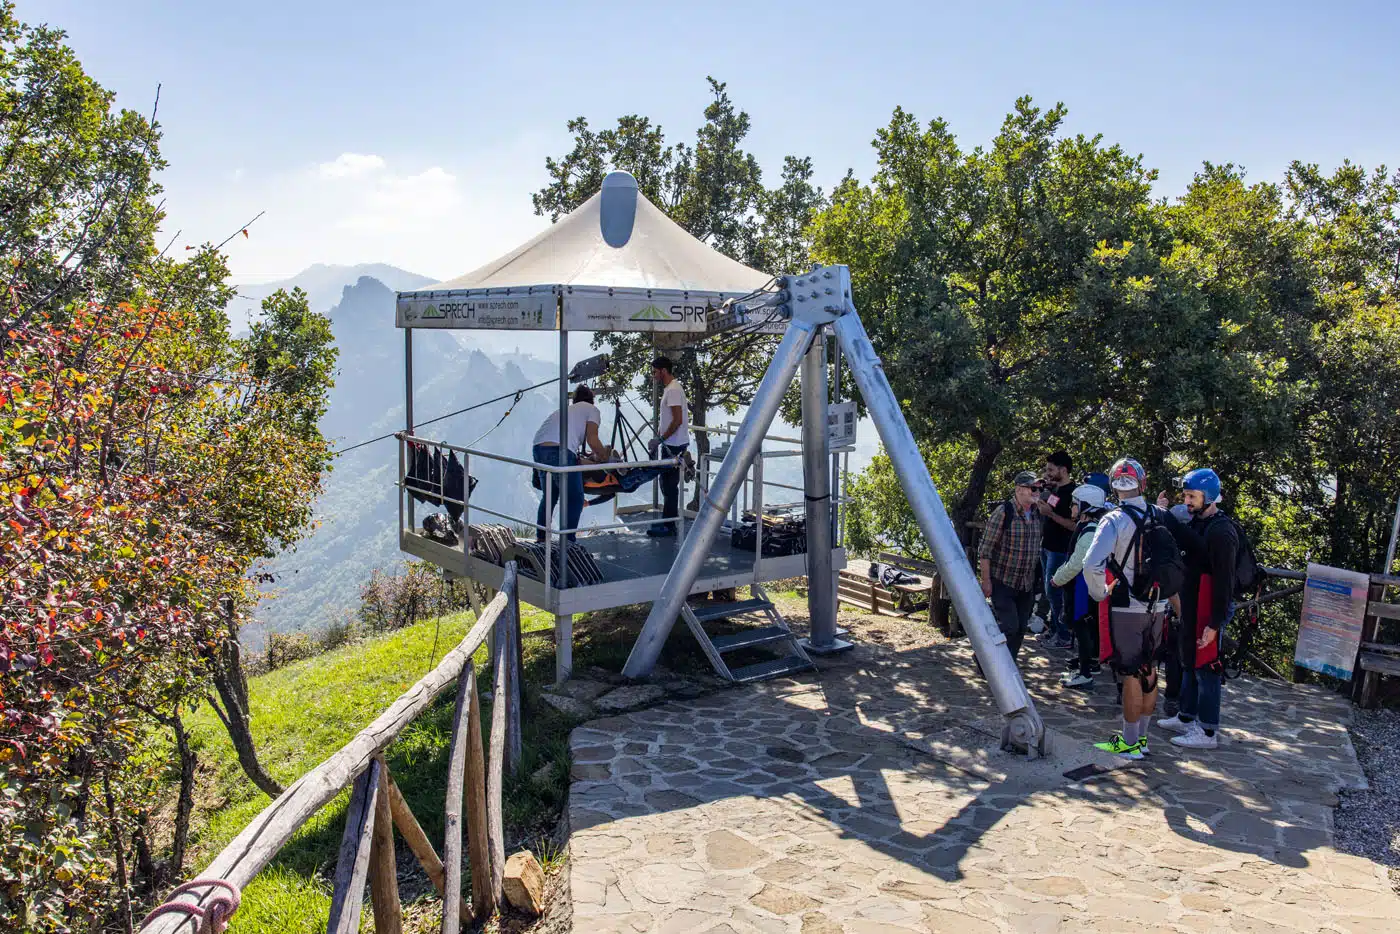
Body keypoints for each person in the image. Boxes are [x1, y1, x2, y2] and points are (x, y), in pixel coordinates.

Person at [1083, 457, 1169, 759]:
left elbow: (1091, 564)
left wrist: (1099, 593)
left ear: (1113, 485)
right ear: (1142, 483)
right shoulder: (1159, 514)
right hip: (1158, 603)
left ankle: (1129, 742)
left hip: (1126, 605)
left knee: (1130, 673)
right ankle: (1142, 739)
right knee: (1151, 669)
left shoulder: (1113, 519)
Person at [1156, 468, 1237, 750]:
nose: (1187, 501)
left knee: (1207, 667)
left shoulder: (1222, 532)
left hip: (1209, 606)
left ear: (1209, 497)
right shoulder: (1199, 523)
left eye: (1192, 496)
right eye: (1186, 496)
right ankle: (1187, 716)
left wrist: (1214, 623)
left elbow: (1225, 582)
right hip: (1194, 602)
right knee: (1189, 660)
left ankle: (1207, 730)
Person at [1051, 476, 1113, 689]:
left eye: (1075, 504)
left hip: (1082, 588)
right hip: (1082, 586)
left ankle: (1085, 673)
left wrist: (1057, 578)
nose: (1071, 508)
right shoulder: (1087, 527)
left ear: (1086, 506)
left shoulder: (1089, 531)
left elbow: (1076, 563)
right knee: (1083, 628)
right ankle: (1086, 665)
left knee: (1082, 627)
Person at [977, 471, 1044, 661]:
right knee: (1009, 626)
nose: (1037, 492)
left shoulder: (1038, 513)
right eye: (1033, 488)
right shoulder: (1003, 512)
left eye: (1039, 488)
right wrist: (986, 581)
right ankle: (983, 658)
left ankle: (1008, 666)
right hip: (1003, 581)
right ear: (1019, 489)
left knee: (1021, 628)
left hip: (1026, 584)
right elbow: (985, 550)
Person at [531, 385, 609, 544]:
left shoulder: (565, 410)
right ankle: (568, 541)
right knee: (575, 498)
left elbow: (574, 455)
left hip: (539, 448)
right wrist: (604, 457)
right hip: (560, 450)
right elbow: (592, 439)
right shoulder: (592, 410)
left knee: (550, 496)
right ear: (592, 400)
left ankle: (541, 538)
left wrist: (589, 458)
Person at [1037, 451, 1079, 648]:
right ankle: (1053, 629)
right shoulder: (1054, 489)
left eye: (1051, 470)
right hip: (1046, 546)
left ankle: (1063, 634)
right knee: (1048, 591)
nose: (1048, 473)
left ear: (1063, 470)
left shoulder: (1073, 494)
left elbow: (1074, 525)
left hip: (1060, 549)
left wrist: (1050, 514)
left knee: (1055, 591)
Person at [648, 356, 690, 537]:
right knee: (667, 484)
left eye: (654, 372)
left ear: (663, 371)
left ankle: (669, 526)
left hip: (674, 445)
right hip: (672, 443)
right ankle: (668, 522)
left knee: (669, 486)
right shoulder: (672, 388)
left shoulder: (672, 390)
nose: (653, 375)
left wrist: (660, 440)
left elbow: (677, 420)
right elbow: (670, 420)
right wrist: (659, 439)